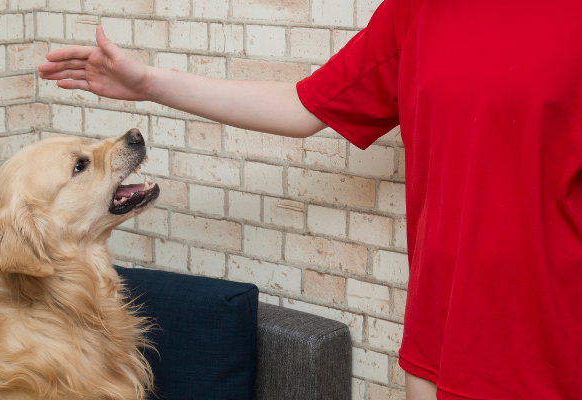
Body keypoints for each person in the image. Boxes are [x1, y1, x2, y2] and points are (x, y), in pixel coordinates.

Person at [38, 0, 582, 398]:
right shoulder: (419, 9)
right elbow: (305, 106)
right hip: (438, 349)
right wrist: (151, 83)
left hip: (558, 354)